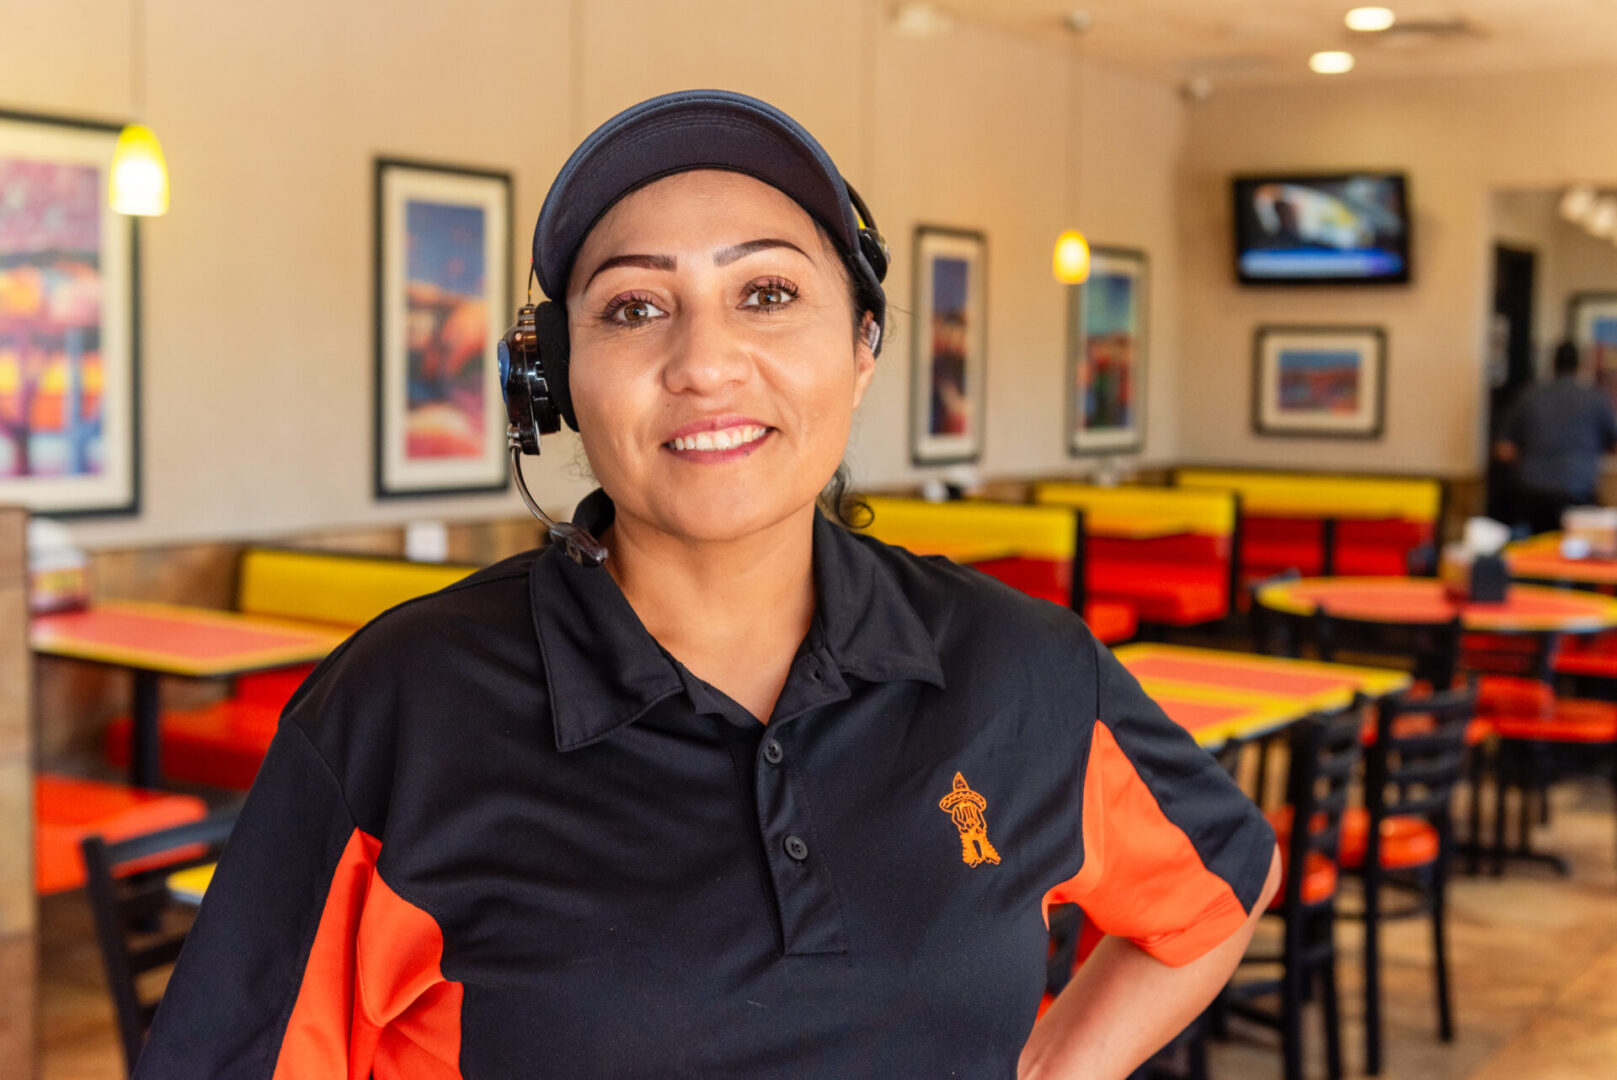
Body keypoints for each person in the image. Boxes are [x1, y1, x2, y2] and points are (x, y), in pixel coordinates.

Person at [136, 90, 1278, 1079]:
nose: (704, 363)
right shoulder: (403, 705)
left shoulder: (1022, 668)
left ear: (866, 344)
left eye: (769, 294)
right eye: (635, 308)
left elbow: (1216, 889)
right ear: (556, 385)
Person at [1496, 340, 1617, 534]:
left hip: (1532, 491)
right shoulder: (1595, 399)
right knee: (1574, 556)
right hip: (1578, 490)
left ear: (1552, 364)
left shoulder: (1529, 396)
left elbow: (1504, 450)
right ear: (1580, 365)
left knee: (1535, 555)